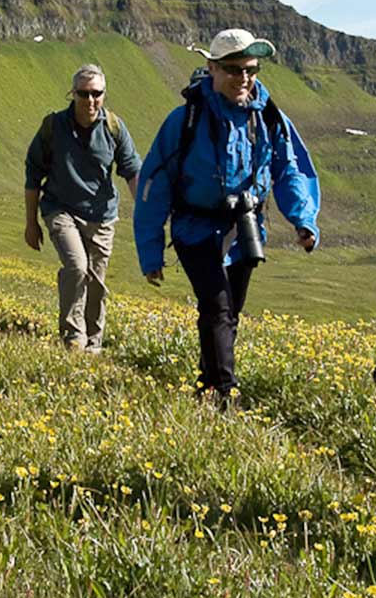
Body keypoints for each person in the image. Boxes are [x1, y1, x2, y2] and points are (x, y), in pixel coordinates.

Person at [134, 29, 319, 409]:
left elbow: (291, 171)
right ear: (212, 68)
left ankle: (206, 385)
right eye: (233, 69)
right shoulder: (184, 120)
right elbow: (154, 186)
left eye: (251, 69)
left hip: (244, 231)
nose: (244, 78)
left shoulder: (269, 117)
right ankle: (226, 397)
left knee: (229, 312)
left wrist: (303, 220)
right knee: (216, 306)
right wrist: (151, 253)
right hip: (194, 230)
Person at [24, 64, 143, 353]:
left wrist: (145, 216)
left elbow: (132, 171)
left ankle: (93, 341)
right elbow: (33, 174)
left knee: (97, 280)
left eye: (96, 94)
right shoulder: (54, 126)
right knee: (77, 266)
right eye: (84, 94)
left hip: (101, 216)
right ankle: (72, 337)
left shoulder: (114, 127)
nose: (90, 101)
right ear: (73, 94)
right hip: (60, 209)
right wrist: (31, 223)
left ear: (104, 94)